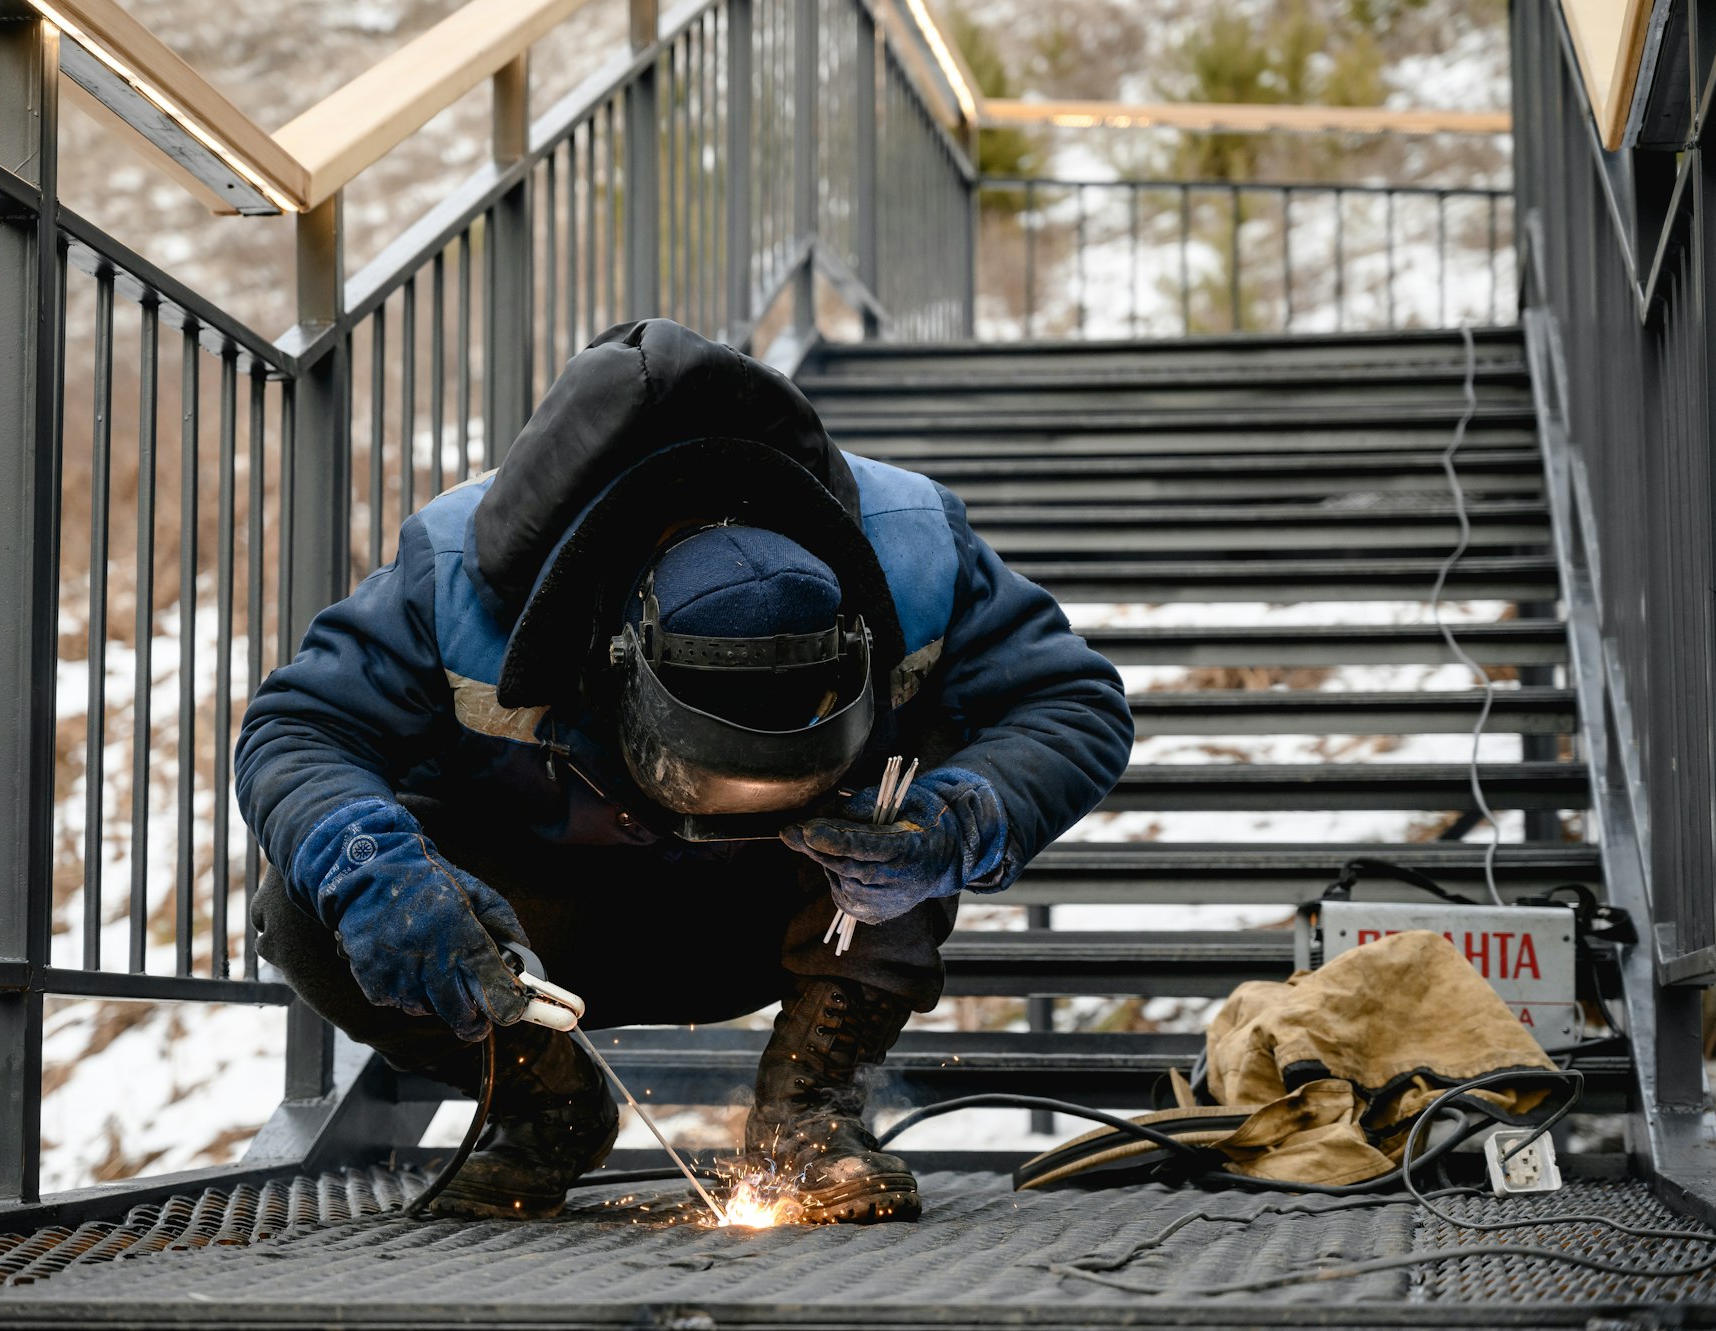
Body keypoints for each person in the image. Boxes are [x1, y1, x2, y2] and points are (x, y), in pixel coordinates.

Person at [235, 318, 1133, 1224]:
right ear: (619, 661)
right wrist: (373, 871)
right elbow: (298, 727)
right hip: (542, 945)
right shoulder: (459, 576)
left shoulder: (914, 551)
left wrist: (960, 824)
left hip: (806, 916)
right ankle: (544, 1098)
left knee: (928, 767)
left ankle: (811, 1111)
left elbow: (1074, 704)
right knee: (314, 896)